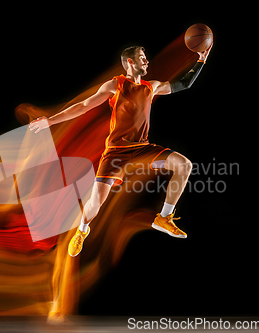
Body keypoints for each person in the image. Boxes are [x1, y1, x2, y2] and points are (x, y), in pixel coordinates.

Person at [29, 43, 212, 257]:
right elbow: (84, 106)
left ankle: (164, 217)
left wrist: (202, 60)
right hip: (116, 152)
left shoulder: (151, 86)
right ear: (130, 62)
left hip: (143, 148)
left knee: (184, 165)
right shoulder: (115, 85)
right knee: (96, 201)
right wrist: (50, 122)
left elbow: (183, 84)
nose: (147, 60)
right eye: (142, 57)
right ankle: (81, 230)